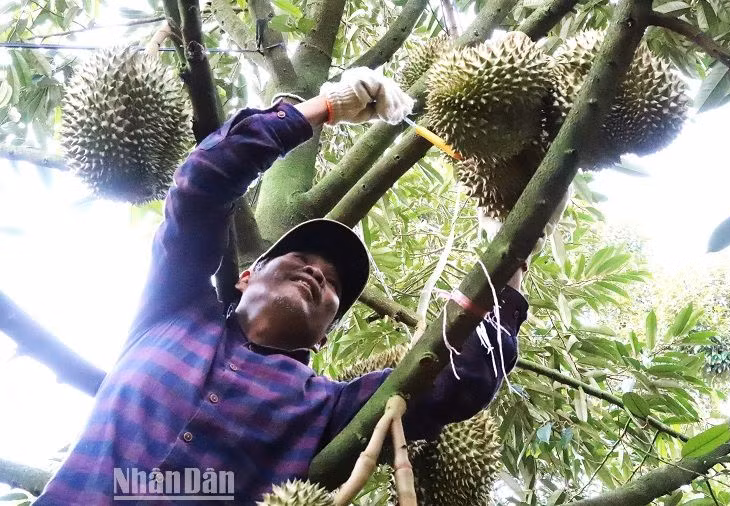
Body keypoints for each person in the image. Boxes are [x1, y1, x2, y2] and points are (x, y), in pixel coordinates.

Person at [35, 68, 528, 504]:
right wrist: (326, 108)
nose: (317, 272)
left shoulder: (324, 408)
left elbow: (457, 378)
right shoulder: (172, 310)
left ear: (323, 337)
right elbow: (200, 186)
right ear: (245, 277)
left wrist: (513, 251)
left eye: (332, 283)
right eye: (301, 258)